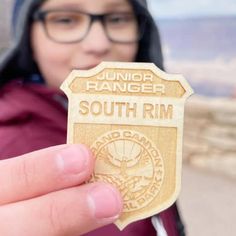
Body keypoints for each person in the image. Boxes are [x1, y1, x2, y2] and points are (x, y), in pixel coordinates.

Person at [0, 0, 185, 235]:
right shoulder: (7, 145)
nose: (98, 44)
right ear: (29, 39)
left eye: (117, 19)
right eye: (65, 20)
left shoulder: (147, 125)